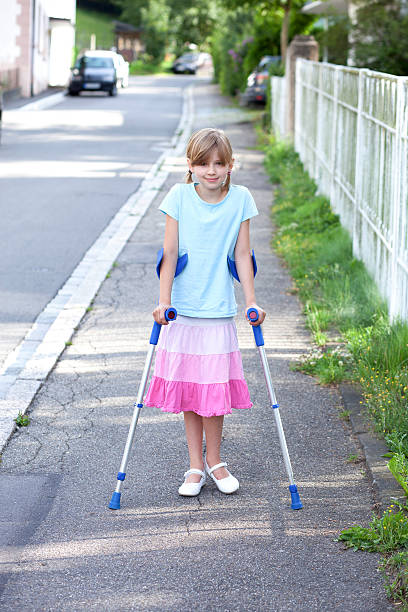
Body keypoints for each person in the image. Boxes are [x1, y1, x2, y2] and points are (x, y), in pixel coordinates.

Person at [144, 127, 265, 496]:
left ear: (231, 165)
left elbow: (242, 255)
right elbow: (169, 255)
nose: (211, 170)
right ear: (190, 165)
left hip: (218, 312)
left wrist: (251, 301)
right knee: (191, 393)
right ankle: (195, 465)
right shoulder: (179, 197)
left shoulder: (241, 198)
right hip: (183, 312)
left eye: (218, 163)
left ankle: (216, 461)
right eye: (202, 163)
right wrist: (164, 302)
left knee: (213, 393)